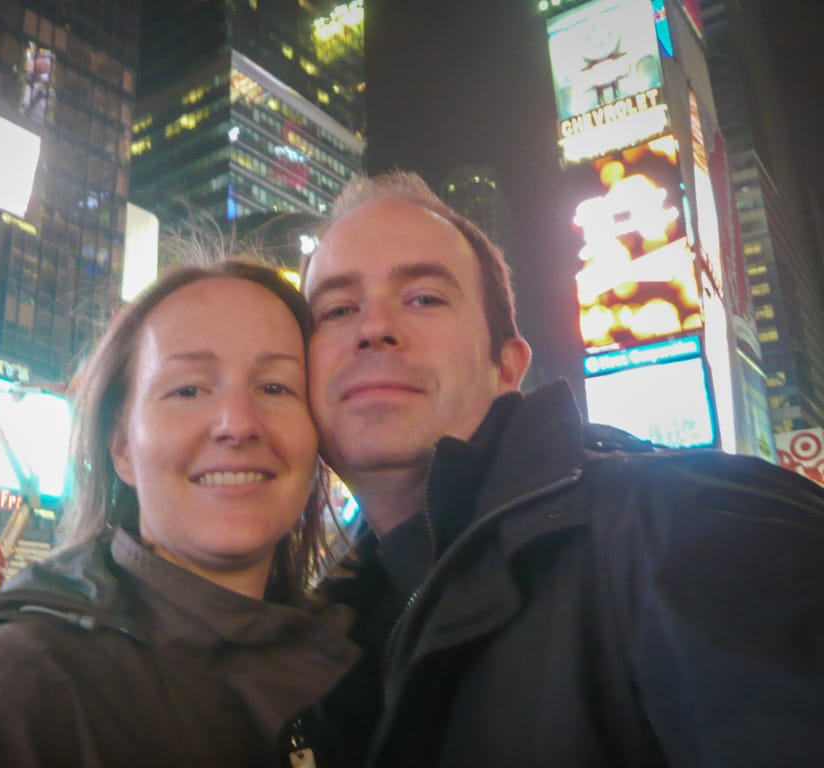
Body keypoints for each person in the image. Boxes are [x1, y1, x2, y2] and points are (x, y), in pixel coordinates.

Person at [302, 171, 824, 768]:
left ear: (508, 366)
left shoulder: (691, 530)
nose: (373, 328)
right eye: (338, 309)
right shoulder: (313, 637)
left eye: (424, 298)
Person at [0, 256, 359, 767]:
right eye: (189, 389)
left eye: (275, 387)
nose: (237, 423)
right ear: (121, 445)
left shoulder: (347, 678)